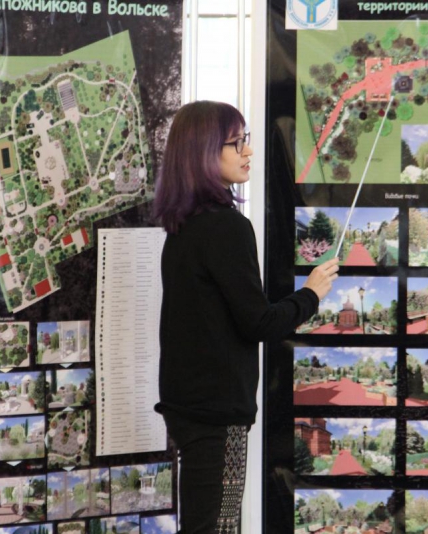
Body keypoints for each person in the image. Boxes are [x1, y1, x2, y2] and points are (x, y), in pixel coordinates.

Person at [152, 100, 338, 533]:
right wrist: (310, 294)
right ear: (203, 152)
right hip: (217, 416)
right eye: (236, 143)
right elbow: (259, 323)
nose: (248, 151)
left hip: (189, 408)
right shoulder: (227, 226)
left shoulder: (183, 225)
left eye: (245, 140)